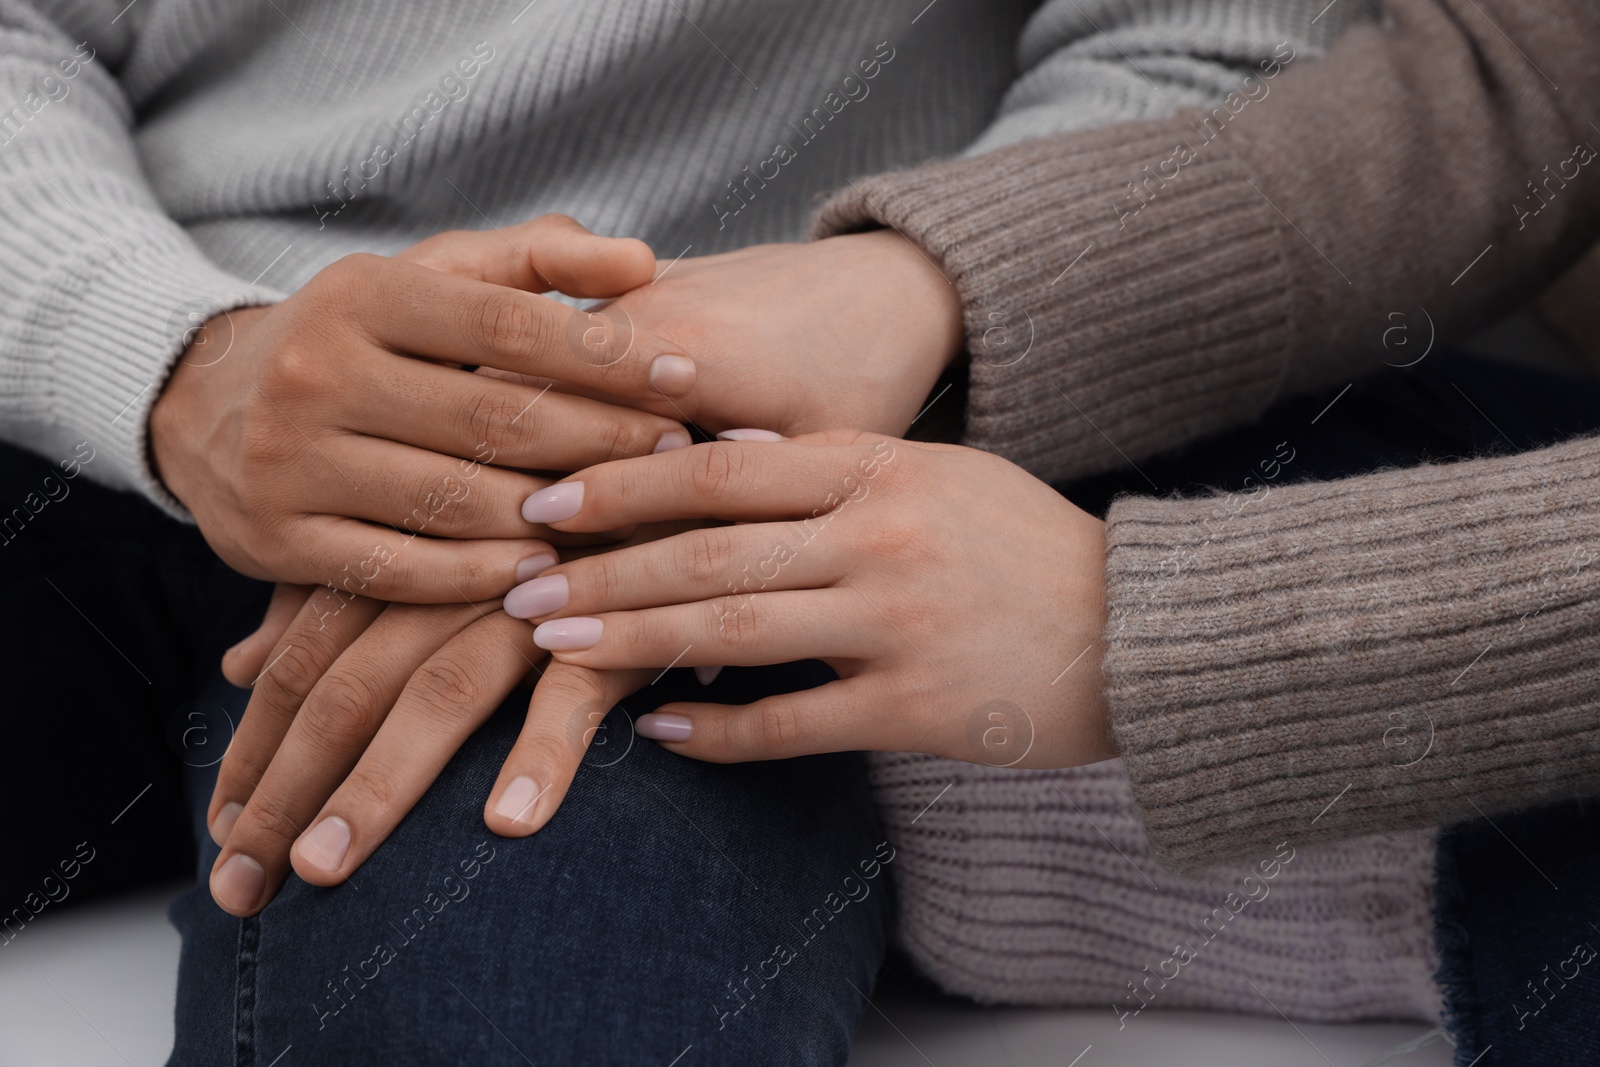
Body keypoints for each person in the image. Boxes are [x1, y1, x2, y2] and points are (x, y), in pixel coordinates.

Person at [2, 2, 1597, 1066]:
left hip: (799, 465)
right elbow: (1519, 83)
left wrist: (717, 421)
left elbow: (1233, 51)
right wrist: (173, 361)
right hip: (97, 334)